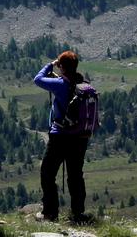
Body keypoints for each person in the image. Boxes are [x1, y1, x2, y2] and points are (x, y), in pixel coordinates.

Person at [33, 51, 94, 224]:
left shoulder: (60, 84)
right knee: (75, 175)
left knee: (47, 173)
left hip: (60, 136)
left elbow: (37, 79)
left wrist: (50, 64)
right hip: (80, 138)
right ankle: (78, 214)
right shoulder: (82, 84)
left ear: (61, 67)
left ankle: (50, 213)